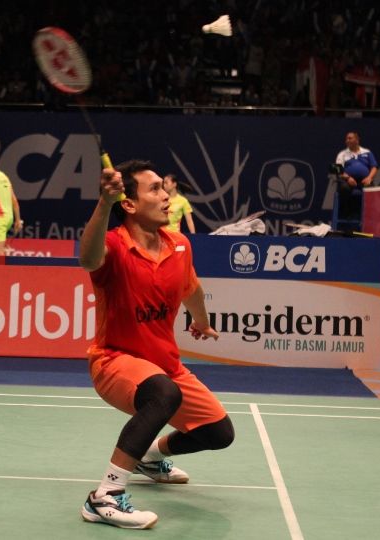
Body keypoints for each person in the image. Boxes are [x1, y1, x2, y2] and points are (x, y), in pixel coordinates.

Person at [77, 160, 234, 529]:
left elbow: (191, 288)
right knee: (163, 394)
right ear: (129, 204)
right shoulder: (114, 246)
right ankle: (105, 496)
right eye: (155, 190)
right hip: (115, 361)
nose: (166, 197)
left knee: (218, 432)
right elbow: (87, 258)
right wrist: (103, 202)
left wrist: (202, 321)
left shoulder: (179, 244)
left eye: (165, 188)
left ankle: (149, 456)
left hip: (165, 366)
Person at [334, 131, 378, 226]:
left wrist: (369, 178)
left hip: (364, 181)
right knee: (344, 188)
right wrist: (348, 178)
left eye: (350, 138)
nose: (347, 141)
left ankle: (369, 217)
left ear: (357, 140)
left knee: (372, 189)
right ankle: (347, 213)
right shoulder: (342, 154)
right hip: (348, 181)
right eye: (346, 139)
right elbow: (338, 170)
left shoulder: (367, 152)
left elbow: (374, 167)